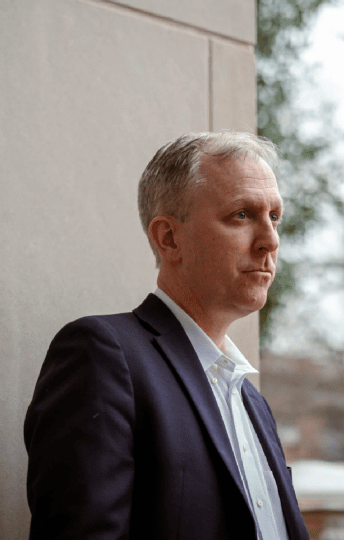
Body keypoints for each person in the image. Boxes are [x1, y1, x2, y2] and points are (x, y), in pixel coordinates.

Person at [23, 132, 310, 539]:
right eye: (242, 215)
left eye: (275, 216)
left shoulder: (251, 400)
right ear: (169, 238)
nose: (270, 241)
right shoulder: (103, 355)